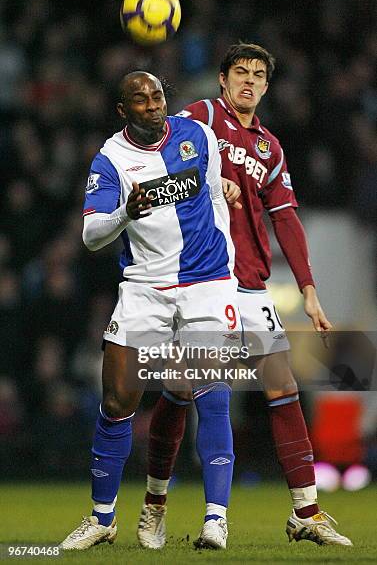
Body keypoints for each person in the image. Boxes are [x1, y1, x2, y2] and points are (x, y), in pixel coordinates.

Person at [137, 44, 353, 549]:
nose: (249, 81)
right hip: (201, 277)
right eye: (240, 72)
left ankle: (307, 510)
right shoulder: (204, 116)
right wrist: (207, 181)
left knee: (282, 388)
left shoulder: (269, 148)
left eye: (258, 74)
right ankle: (155, 502)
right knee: (181, 389)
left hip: (252, 282)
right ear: (222, 79)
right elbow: (163, 150)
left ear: (267, 86)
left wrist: (309, 290)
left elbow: (286, 219)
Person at [59, 71, 243, 550]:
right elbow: (92, 235)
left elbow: (216, 193)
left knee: (210, 391)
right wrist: (126, 213)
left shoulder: (198, 135)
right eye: (139, 99)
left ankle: (215, 520)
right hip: (145, 287)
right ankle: (103, 519)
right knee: (118, 401)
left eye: (157, 95)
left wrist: (227, 264)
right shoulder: (111, 159)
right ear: (123, 111)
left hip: (207, 282)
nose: (152, 104)